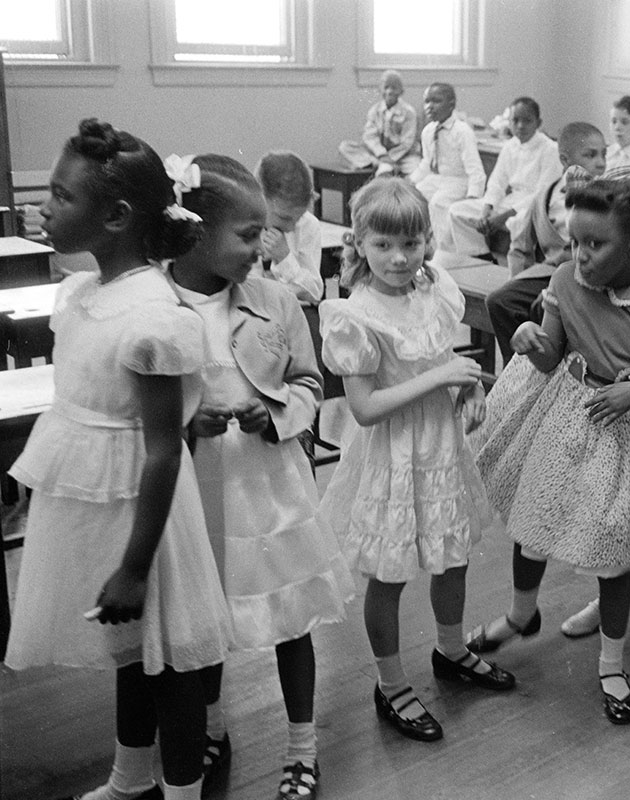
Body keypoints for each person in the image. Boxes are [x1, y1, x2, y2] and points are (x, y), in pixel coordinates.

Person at [4, 118, 230, 800]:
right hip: (98, 506)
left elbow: (164, 453)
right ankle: (130, 778)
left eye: (62, 197)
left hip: (148, 522)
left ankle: (184, 792)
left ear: (116, 217)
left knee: (170, 667)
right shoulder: (80, 293)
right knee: (128, 653)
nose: (45, 207)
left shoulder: (155, 318)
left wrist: (134, 567)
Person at [467, 179, 630, 722]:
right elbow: (552, 356)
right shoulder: (564, 279)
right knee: (532, 519)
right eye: (574, 241)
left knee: (610, 549)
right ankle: (520, 613)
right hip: (568, 414)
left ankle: (611, 662)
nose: (581, 255)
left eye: (595, 245)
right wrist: (531, 337)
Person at [166, 154, 355, 798]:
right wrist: (188, 423)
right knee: (205, 615)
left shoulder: (276, 299)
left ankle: (302, 746)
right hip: (193, 490)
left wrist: (271, 410)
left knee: (289, 616)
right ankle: (212, 725)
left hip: (268, 486)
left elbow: (310, 380)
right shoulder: (160, 304)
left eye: (264, 232)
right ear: (193, 230)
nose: (263, 247)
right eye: (248, 235)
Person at [317, 177, 515, 745]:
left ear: (429, 240)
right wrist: (442, 378)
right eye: (383, 245)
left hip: (440, 444)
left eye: (411, 243)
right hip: (391, 454)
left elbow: (447, 359)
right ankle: (391, 683)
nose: (399, 258)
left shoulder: (435, 288)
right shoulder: (355, 315)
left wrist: (469, 390)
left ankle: (452, 650)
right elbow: (365, 408)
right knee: (390, 571)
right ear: (359, 243)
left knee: (452, 556)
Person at [484, 122, 607, 364]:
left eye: (604, 154)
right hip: (548, 274)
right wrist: (516, 279)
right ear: (564, 159)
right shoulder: (543, 196)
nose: (601, 162)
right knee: (500, 300)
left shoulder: (610, 199)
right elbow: (520, 247)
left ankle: (555, 367)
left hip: (592, 277)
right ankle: (518, 367)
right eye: (591, 155)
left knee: (548, 307)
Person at [447, 96, 561, 258]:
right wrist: (487, 210)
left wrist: (503, 217)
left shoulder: (550, 149)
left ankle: (520, 262)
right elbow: (497, 183)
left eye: (527, 121)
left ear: (538, 122)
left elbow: (542, 194)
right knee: (457, 210)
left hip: (534, 206)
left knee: (519, 221)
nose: (520, 126)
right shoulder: (509, 146)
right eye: (515, 120)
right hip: (511, 202)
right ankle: (480, 255)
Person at [411, 83, 487, 252]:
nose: (430, 107)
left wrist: (473, 196)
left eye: (436, 101)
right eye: (426, 101)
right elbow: (426, 164)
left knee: (439, 202)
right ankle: (424, 244)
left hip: (459, 179)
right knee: (416, 196)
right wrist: (410, 182)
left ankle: (445, 250)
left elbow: (475, 169)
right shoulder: (428, 131)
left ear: (451, 104)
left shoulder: (462, 131)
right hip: (438, 179)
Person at [254, 150, 325, 305]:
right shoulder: (244, 222)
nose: (291, 228)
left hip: (292, 311)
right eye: (284, 217)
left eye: (297, 218)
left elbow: (314, 292)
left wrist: (284, 258)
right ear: (260, 197)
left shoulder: (308, 225)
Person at [338, 70, 422, 177]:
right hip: (380, 154)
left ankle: (385, 165)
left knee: (416, 170)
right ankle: (378, 163)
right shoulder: (375, 110)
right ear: (380, 90)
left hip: (403, 156)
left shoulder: (409, 112)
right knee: (345, 147)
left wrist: (391, 158)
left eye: (394, 88)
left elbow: (407, 142)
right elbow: (369, 136)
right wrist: (381, 154)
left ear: (401, 91)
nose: (389, 92)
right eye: (386, 87)